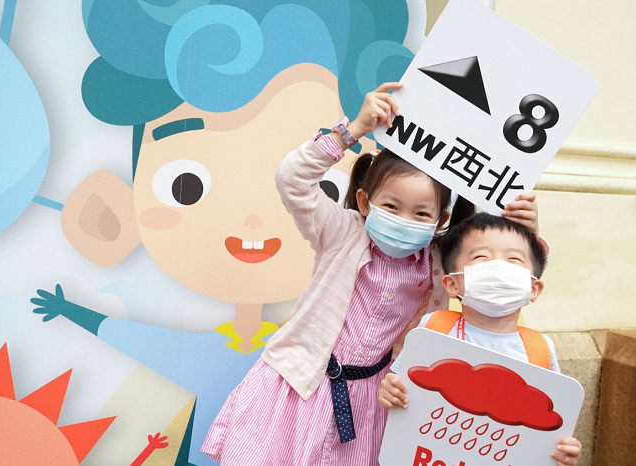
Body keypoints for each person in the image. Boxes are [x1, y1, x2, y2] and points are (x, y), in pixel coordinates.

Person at [201, 83, 542, 465]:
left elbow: (498, 270)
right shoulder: (341, 231)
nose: (404, 220)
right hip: (299, 384)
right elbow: (292, 180)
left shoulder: (438, 263)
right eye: (391, 206)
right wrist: (352, 132)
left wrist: (526, 229)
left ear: (440, 220)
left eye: (421, 214)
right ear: (365, 201)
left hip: (372, 400)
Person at [378, 212, 582, 466]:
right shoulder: (433, 329)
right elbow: (397, 384)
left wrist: (562, 452)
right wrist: (389, 392)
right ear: (452, 284)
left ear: (534, 289)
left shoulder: (539, 350)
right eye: (482, 257)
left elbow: (552, 427)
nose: (500, 267)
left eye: (514, 259)